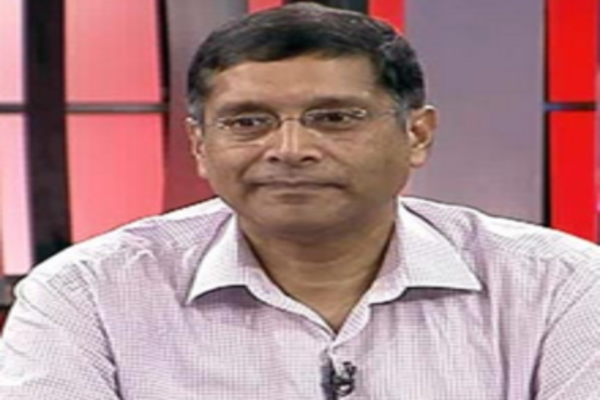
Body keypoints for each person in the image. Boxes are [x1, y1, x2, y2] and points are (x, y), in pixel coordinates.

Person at [1, 3, 599, 399]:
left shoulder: (559, 285)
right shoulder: (88, 294)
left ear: (416, 134)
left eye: (334, 118)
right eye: (247, 122)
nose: (290, 150)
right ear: (200, 145)